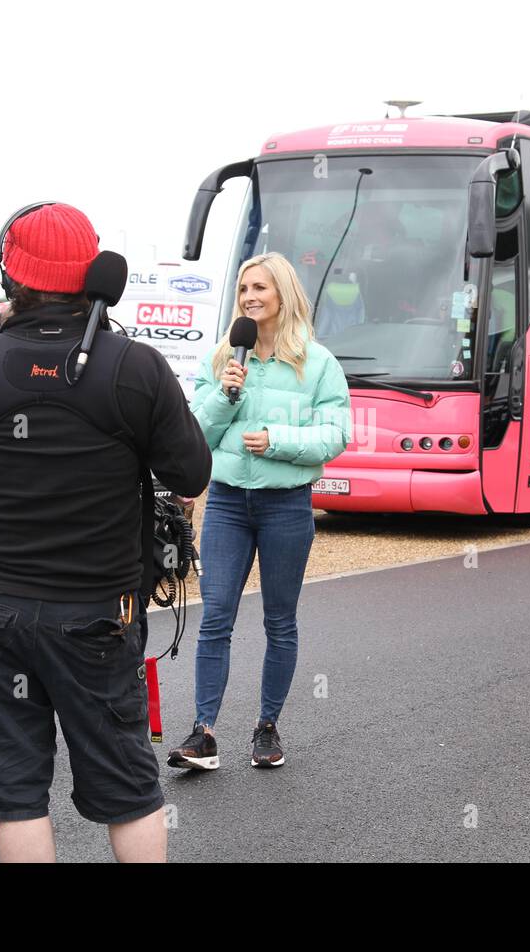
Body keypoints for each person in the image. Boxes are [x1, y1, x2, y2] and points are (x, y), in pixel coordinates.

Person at [0, 203, 211, 863]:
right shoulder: (137, 367)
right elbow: (190, 468)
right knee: (127, 781)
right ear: (95, 273)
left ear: (11, 276)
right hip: (100, 612)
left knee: (13, 788)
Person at [167, 252, 351, 772]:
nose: (249, 296)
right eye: (244, 287)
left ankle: (267, 727)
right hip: (225, 501)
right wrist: (227, 395)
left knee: (279, 622)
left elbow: (335, 435)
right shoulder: (223, 358)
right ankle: (204, 734)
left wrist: (277, 441)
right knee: (215, 617)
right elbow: (193, 434)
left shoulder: (318, 364)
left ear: (283, 295)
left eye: (260, 288)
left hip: (286, 506)